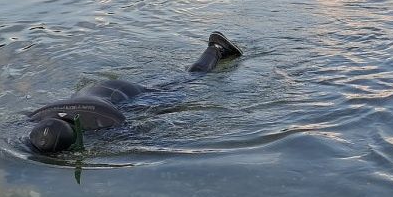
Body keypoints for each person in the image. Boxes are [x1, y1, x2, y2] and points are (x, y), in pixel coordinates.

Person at [26, 31, 243, 153]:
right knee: (167, 82)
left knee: (189, 80)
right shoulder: (39, 114)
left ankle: (216, 48)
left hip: (125, 94)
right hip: (99, 89)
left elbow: (143, 130)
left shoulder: (108, 119)